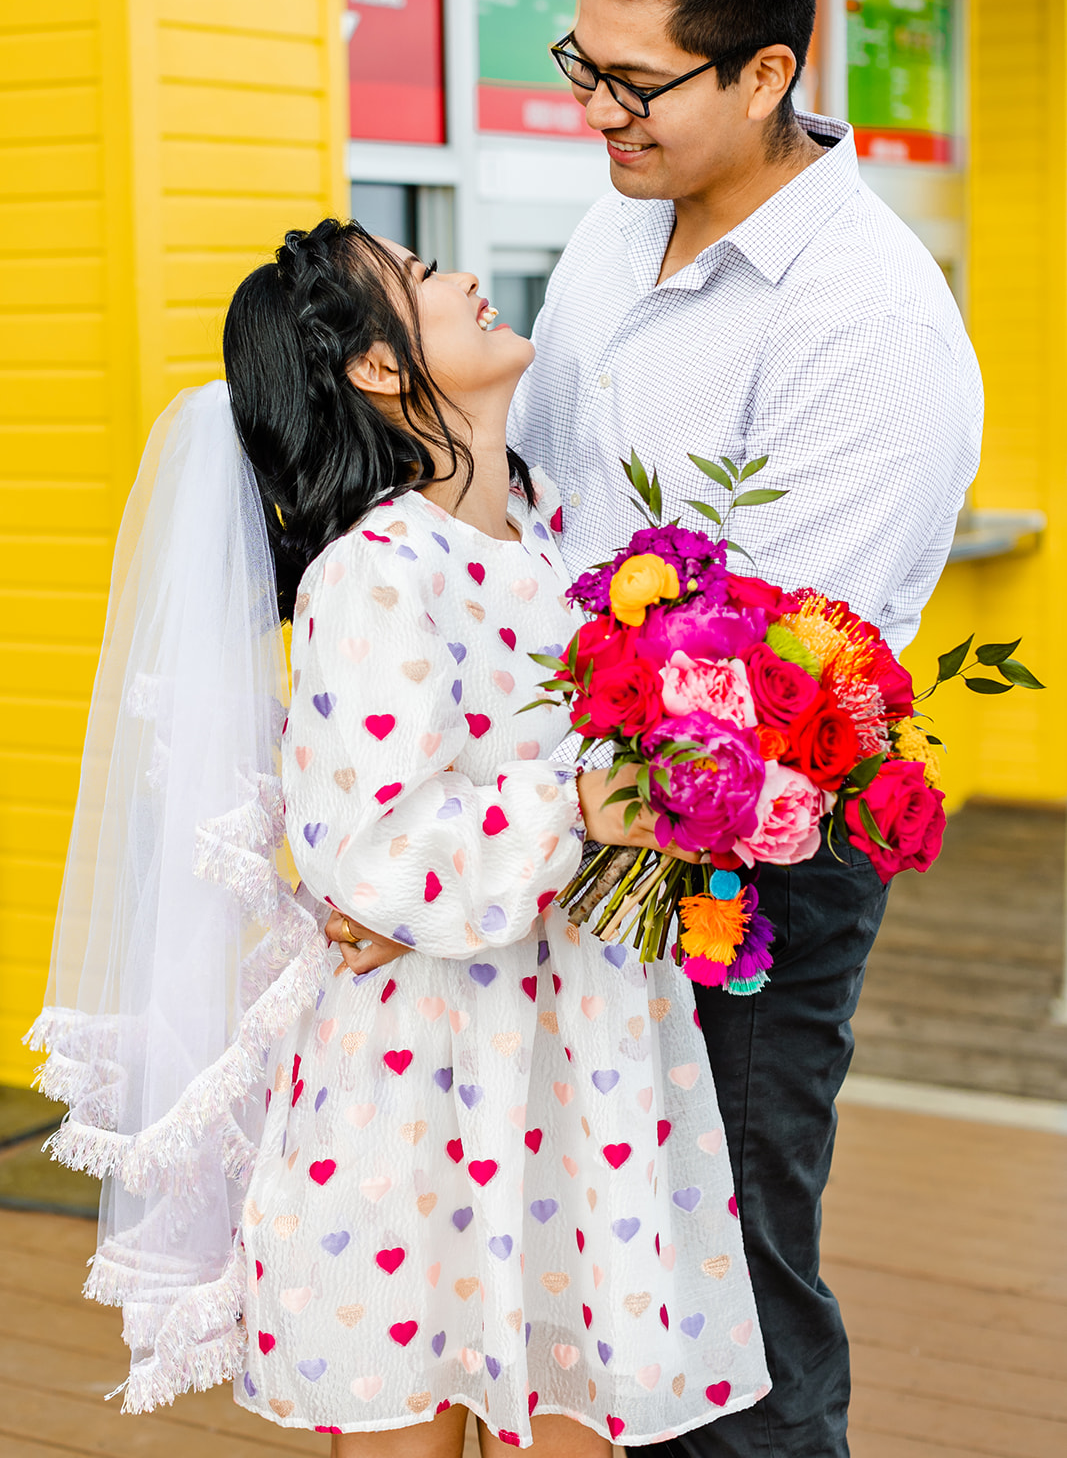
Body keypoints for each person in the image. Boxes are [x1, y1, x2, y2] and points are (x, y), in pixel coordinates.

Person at [28, 218, 771, 1456]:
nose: (467, 278)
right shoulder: (375, 572)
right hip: (430, 1069)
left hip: (582, 1051)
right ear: (378, 368)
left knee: (584, 1403)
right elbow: (369, 849)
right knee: (407, 1420)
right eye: (424, 279)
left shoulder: (554, 546)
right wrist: (589, 806)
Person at [509, 0, 983, 1457]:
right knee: (606, 1262)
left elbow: (773, 700)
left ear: (767, 72)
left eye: (634, 82)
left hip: (748, 848)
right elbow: (536, 494)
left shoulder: (864, 326)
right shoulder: (611, 217)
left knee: (725, 1278)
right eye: (581, 66)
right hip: (572, 804)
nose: (596, 113)